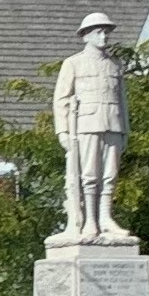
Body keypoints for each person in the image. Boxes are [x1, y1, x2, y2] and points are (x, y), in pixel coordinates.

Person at [53, 12, 129, 241]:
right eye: (98, 32)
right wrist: (63, 131)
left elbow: (122, 100)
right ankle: (90, 221)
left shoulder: (115, 65)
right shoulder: (73, 63)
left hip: (112, 123)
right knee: (88, 175)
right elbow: (61, 99)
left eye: (106, 32)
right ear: (86, 36)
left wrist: (125, 130)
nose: (103, 36)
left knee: (109, 175)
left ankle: (106, 218)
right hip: (86, 124)